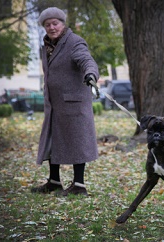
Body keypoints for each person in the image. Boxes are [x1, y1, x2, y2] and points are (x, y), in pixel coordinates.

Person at [31, 7, 100, 196]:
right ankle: (54, 181)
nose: (52, 27)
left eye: (55, 23)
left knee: (78, 142)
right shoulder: (47, 46)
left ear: (63, 24)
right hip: (55, 104)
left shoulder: (75, 42)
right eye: (47, 25)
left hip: (74, 103)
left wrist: (90, 74)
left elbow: (86, 60)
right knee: (53, 141)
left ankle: (79, 185)